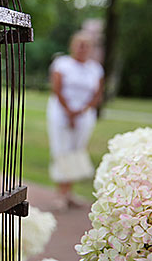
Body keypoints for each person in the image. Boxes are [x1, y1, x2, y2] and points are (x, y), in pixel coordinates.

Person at [47, 31, 104, 210]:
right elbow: (56, 88)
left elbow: (97, 94)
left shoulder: (96, 68)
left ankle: (68, 192)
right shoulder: (62, 64)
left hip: (84, 116)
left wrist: (81, 111)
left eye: (86, 45)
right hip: (60, 114)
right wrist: (69, 112)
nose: (82, 48)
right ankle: (60, 194)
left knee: (76, 151)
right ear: (72, 45)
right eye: (79, 44)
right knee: (62, 151)